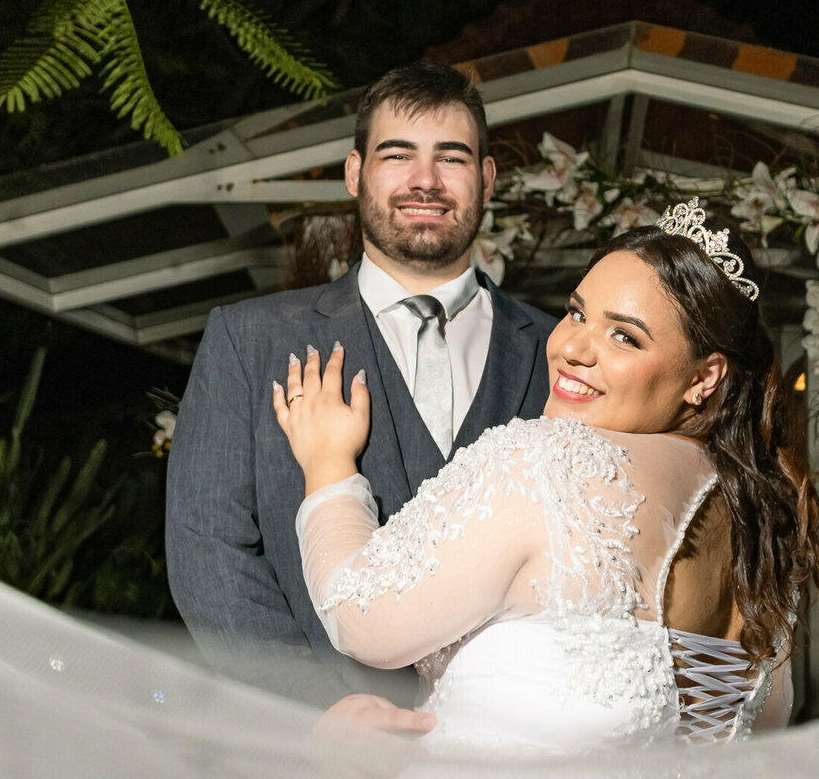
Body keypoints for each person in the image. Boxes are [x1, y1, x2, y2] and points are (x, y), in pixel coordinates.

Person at [277, 199, 819, 751]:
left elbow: (359, 619)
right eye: (577, 312)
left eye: (625, 337)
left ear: (704, 377)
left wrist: (328, 465)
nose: (570, 348)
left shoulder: (546, 461)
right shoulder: (764, 515)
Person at [166, 61, 557, 710]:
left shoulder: (561, 355)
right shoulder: (251, 340)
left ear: (486, 180)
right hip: (324, 769)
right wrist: (316, 714)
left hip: (512, 755)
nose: (424, 181)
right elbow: (207, 553)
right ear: (355, 173)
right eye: (397, 155)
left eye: (451, 158)